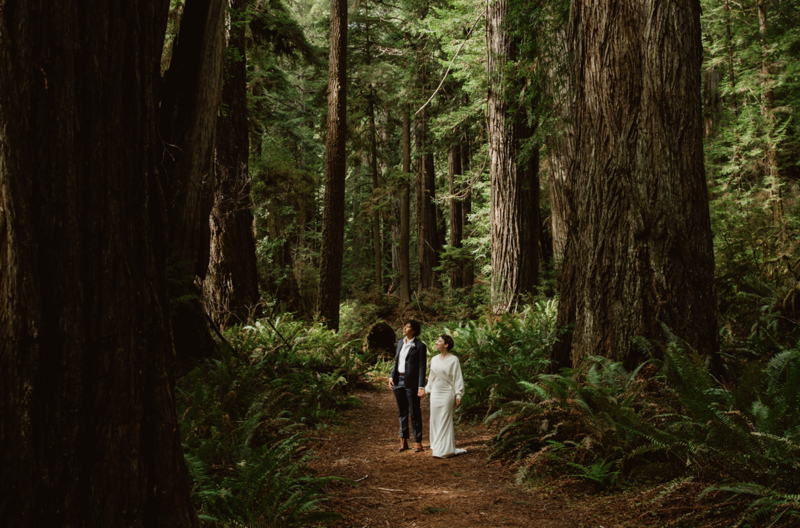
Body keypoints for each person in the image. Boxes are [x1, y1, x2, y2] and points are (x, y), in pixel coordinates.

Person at [388, 320, 427, 453]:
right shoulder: (400, 342)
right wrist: (391, 376)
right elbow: (396, 360)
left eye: (408, 326)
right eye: (404, 325)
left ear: (414, 330)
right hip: (398, 381)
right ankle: (403, 440)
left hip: (412, 383)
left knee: (415, 411)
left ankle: (418, 442)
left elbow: (422, 367)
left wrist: (421, 385)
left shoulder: (420, 346)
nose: (404, 328)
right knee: (402, 411)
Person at [426, 334, 466, 458]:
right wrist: (427, 390)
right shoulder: (434, 359)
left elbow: (457, 377)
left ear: (446, 345)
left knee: (445, 418)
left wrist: (458, 394)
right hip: (435, 393)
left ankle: (445, 449)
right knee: (435, 419)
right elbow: (431, 377)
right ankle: (436, 445)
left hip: (447, 392)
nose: (436, 343)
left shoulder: (454, 360)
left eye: (439, 341)